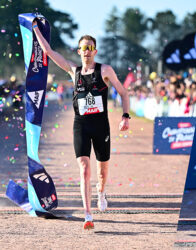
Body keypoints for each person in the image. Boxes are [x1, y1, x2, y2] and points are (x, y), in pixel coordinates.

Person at [32, 19, 131, 230]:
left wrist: (125, 116)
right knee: (84, 169)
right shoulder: (73, 71)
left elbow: (123, 93)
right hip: (81, 125)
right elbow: (48, 52)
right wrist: (35, 30)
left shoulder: (105, 70)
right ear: (78, 51)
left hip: (101, 126)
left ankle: (101, 192)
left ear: (95, 51)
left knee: (102, 172)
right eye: (83, 48)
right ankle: (88, 215)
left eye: (90, 48)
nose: (86, 52)